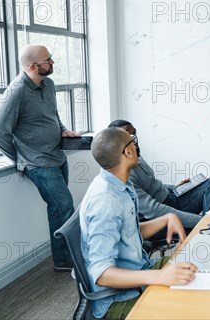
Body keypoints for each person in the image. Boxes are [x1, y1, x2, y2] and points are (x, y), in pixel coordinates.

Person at [80, 127, 197, 319]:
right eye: (132, 140)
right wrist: (158, 276)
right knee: (188, 308)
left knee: (198, 269)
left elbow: (128, 233)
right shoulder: (105, 200)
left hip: (142, 273)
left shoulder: (121, 185)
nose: (136, 144)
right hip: (120, 301)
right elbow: (101, 274)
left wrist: (166, 219)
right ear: (127, 152)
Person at [0, 44, 80, 272]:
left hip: (58, 157)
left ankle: (66, 255)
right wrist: (21, 158)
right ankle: (64, 260)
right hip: (38, 163)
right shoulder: (16, 92)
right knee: (64, 206)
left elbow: (53, 115)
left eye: (51, 58)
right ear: (32, 66)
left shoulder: (48, 84)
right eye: (47, 61)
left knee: (59, 209)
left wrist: (64, 130)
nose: (52, 63)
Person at [107, 120, 210, 231]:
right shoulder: (125, 175)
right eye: (129, 137)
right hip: (157, 215)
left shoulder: (135, 154)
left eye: (134, 135)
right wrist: (202, 221)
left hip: (170, 196)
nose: (135, 141)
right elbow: (154, 210)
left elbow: (150, 183)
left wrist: (174, 187)